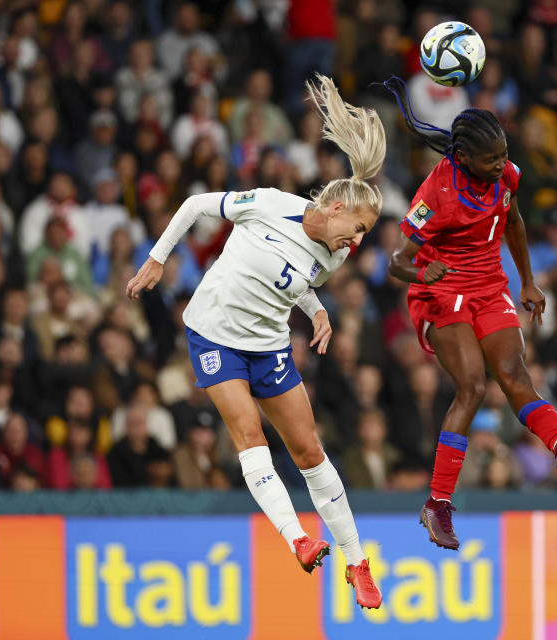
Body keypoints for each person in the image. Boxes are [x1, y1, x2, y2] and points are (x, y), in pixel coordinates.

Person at [126, 75, 384, 609]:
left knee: (310, 450)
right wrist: (157, 257)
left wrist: (317, 312)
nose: (356, 243)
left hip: (269, 346)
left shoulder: (335, 255)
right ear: (335, 208)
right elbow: (197, 204)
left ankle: (357, 562)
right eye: (355, 229)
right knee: (249, 436)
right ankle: (299, 540)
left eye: (361, 236)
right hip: (213, 334)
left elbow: (298, 281)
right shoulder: (268, 203)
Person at [382, 77, 557, 551]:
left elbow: (515, 221)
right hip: (442, 288)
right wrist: (423, 275)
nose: (502, 164)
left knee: (514, 372)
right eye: (492, 159)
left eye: (504, 154)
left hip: (490, 285)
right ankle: (438, 503)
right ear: (463, 158)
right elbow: (397, 261)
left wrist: (527, 280)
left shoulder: (506, 176)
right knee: (472, 386)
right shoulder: (436, 193)